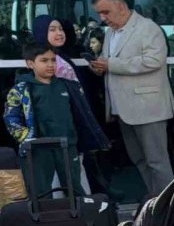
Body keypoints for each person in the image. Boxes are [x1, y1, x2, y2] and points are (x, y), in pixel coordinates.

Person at [90, 0, 174, 197]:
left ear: (120, 6)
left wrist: (110, 64)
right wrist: (100, 66)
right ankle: (157, 201)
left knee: (157, 161)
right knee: (139, 159)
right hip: (123, 110)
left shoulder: (148, 28)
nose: (102, 18)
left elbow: (154, 61)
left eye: (105, 12)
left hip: (148, 108)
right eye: (99, 14)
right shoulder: (110, 32)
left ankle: (173, 207)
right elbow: (111, 63)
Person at [4, 42, 109, 197]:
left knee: (74, 189)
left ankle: (78, 220)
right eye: (44, 60)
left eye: (53, 60)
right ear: (30, 63)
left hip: (67, 146)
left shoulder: (68, 86)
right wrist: (26, 137)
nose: (50, 65)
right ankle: (45, 220)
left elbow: (81, 115)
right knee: (41, 192)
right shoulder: (21, 89)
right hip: (38, 149)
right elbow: (11, 118)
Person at [31, 16, 80, 82]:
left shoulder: (62, 55)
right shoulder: (40, 59)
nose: (59, 33)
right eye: (52, 30)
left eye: (61, 29)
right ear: (41, 32)